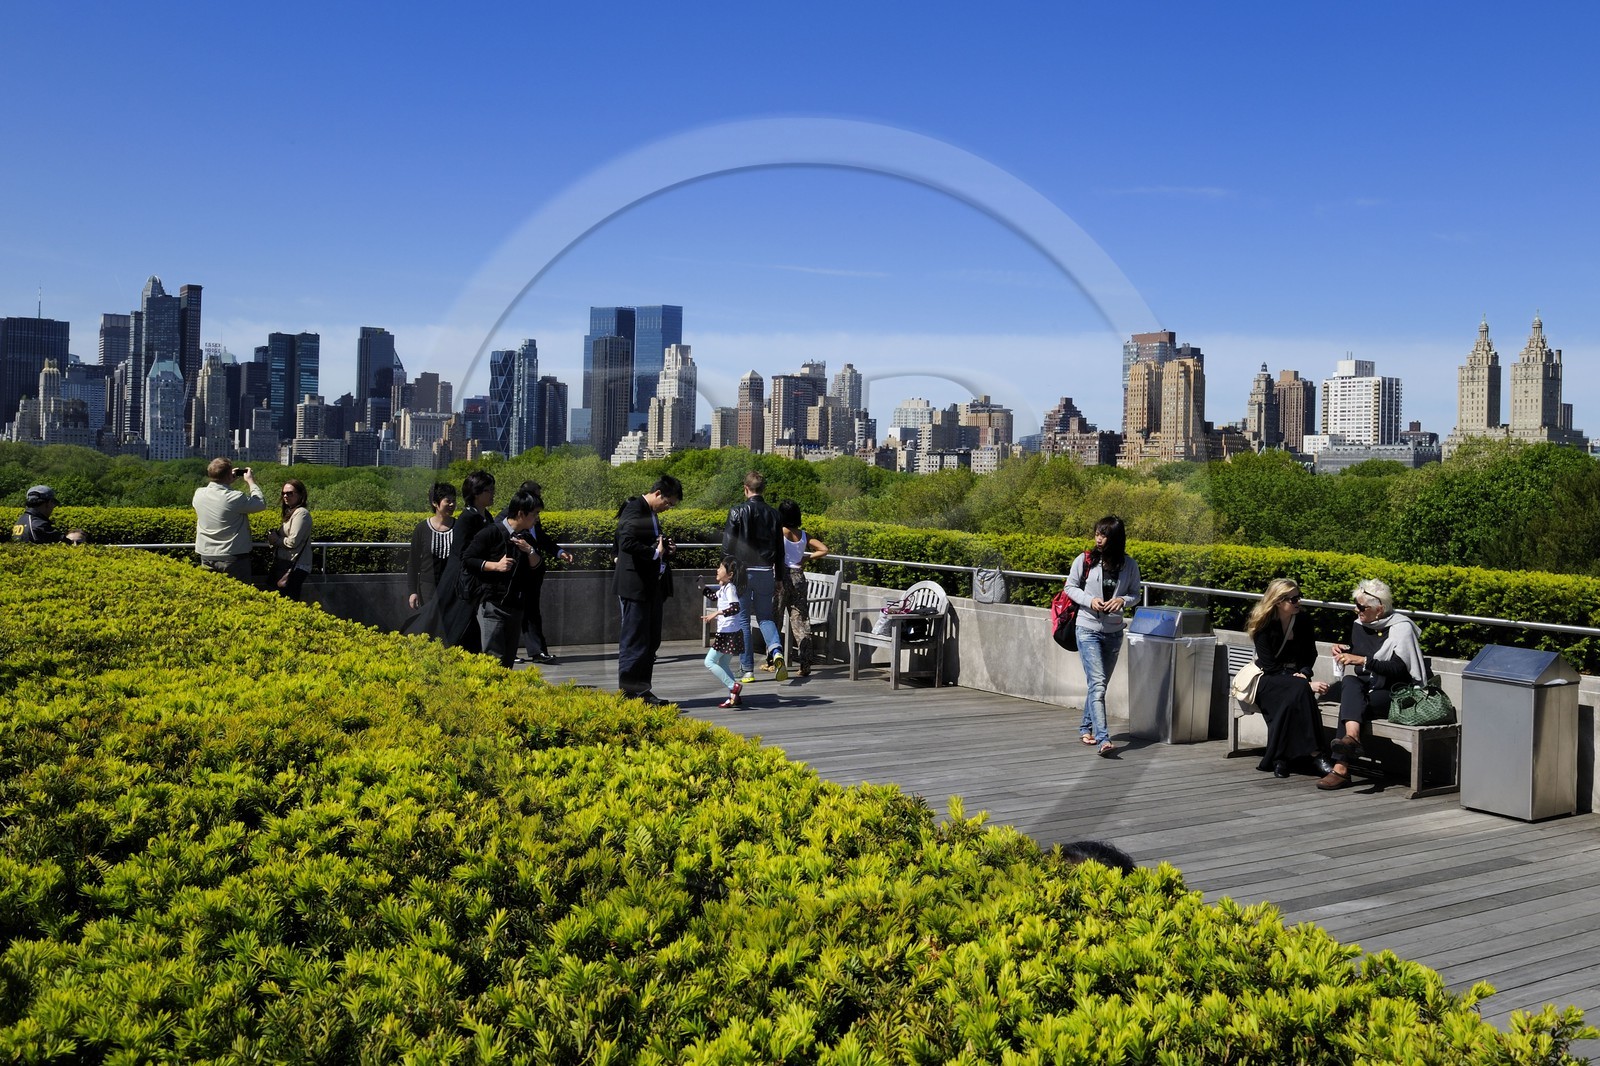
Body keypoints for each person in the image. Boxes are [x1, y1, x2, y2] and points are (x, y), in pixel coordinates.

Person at [1321, 578, 1427, 791]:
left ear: (1379, 609)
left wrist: (1362, 661)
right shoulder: (1359, 625)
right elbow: (1360, 650)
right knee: (1350, 681)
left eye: (1361, 607)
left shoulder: (1401, 628)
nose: (1356, 610)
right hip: (1365, 685)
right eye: (1356, 605)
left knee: (1352, 706)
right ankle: (1351, 737)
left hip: (1394, 691)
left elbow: (1400, 669)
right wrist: (1343, 650)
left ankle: (1341, 766)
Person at [1065, 515, 1141, 757]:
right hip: (1087, 629)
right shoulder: (1085, 560)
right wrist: (1090, 601)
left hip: (1114, 632)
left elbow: (1135, 594)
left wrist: (1122, 600)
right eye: (1097, 533)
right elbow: (1070, 587)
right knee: (1097, 685)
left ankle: (1086, 727)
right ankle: (1103, 739)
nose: (1098, 538)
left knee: (1099, 685)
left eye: (1104, 534)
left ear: (1115, 538)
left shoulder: (1129, 565)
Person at [1246, 578, 1336, 780]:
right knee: (1299, 690)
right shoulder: (1263, 623)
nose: (1298, 602)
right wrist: (1304, 683)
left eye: (1299, 597)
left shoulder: (1303, 620)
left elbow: (1310, 654)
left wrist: (1304, 674)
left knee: (1295, 694)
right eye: (1293, 599)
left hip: (1295, 679)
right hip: (1267, 678)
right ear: (1278, 601)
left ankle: (1281, 759)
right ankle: (1317, 755)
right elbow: (1269, 666)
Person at [614, 474, 682, 704]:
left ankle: (642, 689)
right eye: (668, 503)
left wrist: (664, 547)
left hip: (651, 585)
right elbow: (626, 542)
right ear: (658, 494)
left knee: (651, 640)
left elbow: (650, 541)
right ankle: (629, 692)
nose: (668, 508)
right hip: (635, 586)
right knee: (635, 640)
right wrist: (655, 552)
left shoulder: (650, 513)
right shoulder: (635, 509)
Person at [462, 489, 544, 668]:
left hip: (516, 606)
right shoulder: (491, 532)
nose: (537, 518)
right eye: (535, 514)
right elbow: (467, 558)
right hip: (492, 604)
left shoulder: (527, 537)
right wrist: (494, 566)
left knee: (507, 661)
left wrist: (529, 551)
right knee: (493, 659)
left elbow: (538, 567)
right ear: (521, 513)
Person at [502, 479, 573, 665]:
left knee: (532, 611)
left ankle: (537, 650)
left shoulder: (533, 520)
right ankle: (510, 649)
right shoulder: (506, 518)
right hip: (515, 574)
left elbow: (541, 539)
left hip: (532, 573)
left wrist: (559, 551)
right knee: (512, 613)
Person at [723, 470, 786, 682]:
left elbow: (727, 547)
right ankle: (776, 651)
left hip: (742, 572)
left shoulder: (737, 511)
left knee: (743, 620)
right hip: (766, 572)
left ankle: (747, 670)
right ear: (763, 489)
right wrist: (779, 578)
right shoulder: (775, 514)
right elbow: (780, 549)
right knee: (766, 617)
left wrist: (726, 571)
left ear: (745, 488)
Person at [774, 500, 830, 677]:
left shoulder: (779, 532)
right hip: (799, 577)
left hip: (782, 577)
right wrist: (806, 559)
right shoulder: (804, 535)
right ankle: (805, 664)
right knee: (801, 621)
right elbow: (824, 549)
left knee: (774, 618)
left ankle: (773, 660)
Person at [193, 459, 267, 580]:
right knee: (240, 595)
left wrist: (226, 481)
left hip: (206, 555)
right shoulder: (235, 497)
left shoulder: (199, 494)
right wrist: (251, 482)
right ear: (228, 475)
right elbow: (260, 504)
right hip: (232, 556)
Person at [702, 557, 746, 707]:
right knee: (724, 664)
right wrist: (702, 587)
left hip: (727, 633)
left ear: (730, 574)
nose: (717, 570)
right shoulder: (724, 587)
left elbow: (735, 608)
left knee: (709, 661)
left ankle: (733, 686)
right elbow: (715, 597)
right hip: (730, 632)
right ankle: (734, 697)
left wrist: (716, 613)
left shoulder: (731, 589)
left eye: (721, 568)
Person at [406, 482, 456, 611]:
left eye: (454, 501)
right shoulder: (422, 528)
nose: (452, 504)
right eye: (448, 501)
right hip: (427, 588)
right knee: (430, 625)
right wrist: (412, 591)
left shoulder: (459, 527)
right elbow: (413, 562)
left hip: (452, 587)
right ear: (435, 503)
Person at [266, 479, 312, 600]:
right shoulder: (290, 512)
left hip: (295, 566)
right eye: (283, 493)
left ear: (301, 494)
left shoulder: (301, 513)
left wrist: (276, 540)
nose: (285, 496)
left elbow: (293, 541)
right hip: (286, 563)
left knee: (288, 600)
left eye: (290, 493)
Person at [12, 485, 82, 544]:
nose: (53, 507)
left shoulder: (21, 520)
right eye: (53, 503)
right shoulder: (39, 525)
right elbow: (61, 541)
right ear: (48, 503)